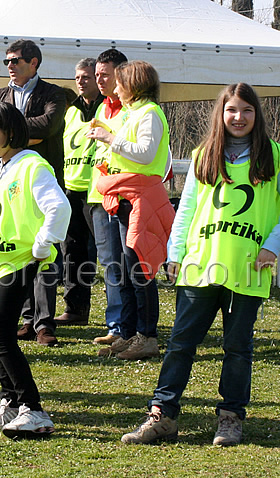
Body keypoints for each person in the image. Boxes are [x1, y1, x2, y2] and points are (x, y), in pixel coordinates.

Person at [121, 82, 280, 446]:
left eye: (247, 110)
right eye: (232, 110)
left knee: (237, 347)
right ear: (221, 114)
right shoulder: (204, 153)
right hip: (199, 267)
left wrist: (272, 247)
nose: (239, 117)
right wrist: (175, 253)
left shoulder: (276, 156)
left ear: (257, 115)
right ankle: (163, 416)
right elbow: (186, 207)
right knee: (180, 344)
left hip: (247, 268)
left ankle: (231, 418)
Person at [0, 102, 70, 438]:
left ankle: (34, 409)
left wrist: (43, 245)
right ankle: (11, 402)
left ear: (10, 132)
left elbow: (59, 207)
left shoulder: (32, 165)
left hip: (16, 262)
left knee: (1, 336)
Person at [88, 60, 175, 360]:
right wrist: (107, 130)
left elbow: (146, 153)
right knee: (128, 269)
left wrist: (111, 138)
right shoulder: (134, 113)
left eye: (120, 82)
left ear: (134, 85)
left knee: (141, 268)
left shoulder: (150, 113)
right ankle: (132, 332)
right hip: (126, 196)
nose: (115, 87)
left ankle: (147, 336)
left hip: (141, 199)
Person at [0, 39, 66, 346]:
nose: (10, 65)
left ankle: (44, 323)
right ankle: (26, 319)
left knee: (44, 252)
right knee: (17, 249)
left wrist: (13, 131)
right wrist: (19, 134)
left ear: (34, 62)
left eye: (16, 60)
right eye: (7, 60)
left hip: (41, 179)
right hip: (9, 183)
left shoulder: (54, 93)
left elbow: (49, 125)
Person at [53, 58, 103, 327]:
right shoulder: (70, 111)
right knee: (72, 250)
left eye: (87, 77)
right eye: (78, 77)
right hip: (71, 189)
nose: (81, 81)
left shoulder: (109, 109)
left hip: (98, 192)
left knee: (109, 256)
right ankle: (75, 308)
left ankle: (119, 315)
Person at [86, 49, 129, 349]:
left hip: (126, 195)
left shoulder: (133, 109)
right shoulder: (102, 108)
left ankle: (132, 327)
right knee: (111, 264)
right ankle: (116, 325)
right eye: (97, 74)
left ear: (121, 75)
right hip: (100, 195)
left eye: (105, 74)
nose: (99, 80)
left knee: (130, 264)